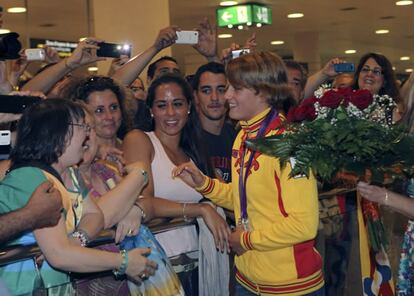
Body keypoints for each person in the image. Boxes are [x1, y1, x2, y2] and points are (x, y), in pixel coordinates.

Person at [173, 52, 324, 295]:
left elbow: (304, 225)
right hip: (247, 278)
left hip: (289, 285)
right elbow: (244, 197)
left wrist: (244, 240)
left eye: (236, 88)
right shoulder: (244, 136)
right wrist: (205, 184)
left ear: (263, 92)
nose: (227, 96)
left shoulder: (290, 144)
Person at [0, 99, 157, 295]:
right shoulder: (32, 177)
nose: (87, 133)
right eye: (82, 126)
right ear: (59, 133)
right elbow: (59, 254)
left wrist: (77, 239)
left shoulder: (69, 174)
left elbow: (95, 215)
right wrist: (124, 261)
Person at [123, 73, 230, 295]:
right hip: (159, 266)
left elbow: (225, 198)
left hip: (200, 260)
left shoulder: (195, 149)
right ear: (151, 109)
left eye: (178, 104)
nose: (171, 113)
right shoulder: (139, 139)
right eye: (162, 105)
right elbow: (144, 203)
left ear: (189, 107)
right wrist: (200, 209)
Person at [192, 62, 236, 182]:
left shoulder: (237, 137)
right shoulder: (186, 138)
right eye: (206, 91)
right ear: (195, 96)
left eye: (221, 90)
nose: (214, 98)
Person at [70, 75, 127, 147]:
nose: (109, 117)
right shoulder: (77, 156)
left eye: (113, 107)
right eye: (99, 110)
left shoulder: (135, 146)